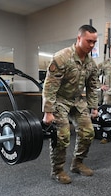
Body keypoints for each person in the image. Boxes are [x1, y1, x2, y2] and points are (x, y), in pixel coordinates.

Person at [42, 24, 99, 184]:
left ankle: (77, 163)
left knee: (88, 132)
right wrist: (48, 111)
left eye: (94, 42)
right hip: (59, 100)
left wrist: (94, 107)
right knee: (62, 135)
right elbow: (50, 86)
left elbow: (93, 87)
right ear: (79, 38)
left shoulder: (91, 64)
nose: (92, 45)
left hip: (77, 100)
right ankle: (58, 170)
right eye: (89, 41)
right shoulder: (62, 58)